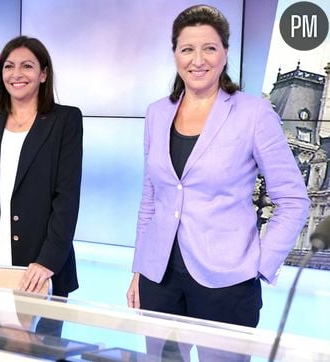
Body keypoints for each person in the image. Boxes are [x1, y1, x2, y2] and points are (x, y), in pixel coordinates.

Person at [126, 5, 310, 360]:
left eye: (209, 48)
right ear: (175, 55)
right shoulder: (156, 112)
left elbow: (294, 200)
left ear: (225, 53)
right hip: (159, 279)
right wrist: (140, 268)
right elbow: (151, 198)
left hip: (227, 283)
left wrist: (258, 266)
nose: (198, 59)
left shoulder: (253, 113)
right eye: (187, 49)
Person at [0, 35, 82, 301]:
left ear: (43, 74)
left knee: (40, 343)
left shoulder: (65, 121)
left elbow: (67, 197)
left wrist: (48, 261)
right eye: (8, 66)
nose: (16, 74)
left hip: (40, 268)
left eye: (27, 66)